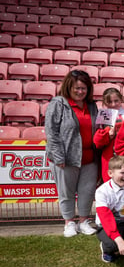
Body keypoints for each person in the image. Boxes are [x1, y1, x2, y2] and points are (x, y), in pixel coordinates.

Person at [45, 69, 99, 237]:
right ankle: (69, 222)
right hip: (66, 159)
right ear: (69, 87)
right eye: (77, 88)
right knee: (66, 192)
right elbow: (51, 132)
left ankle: (83, 221)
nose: (80, 91)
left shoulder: (92, 105)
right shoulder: (58, 103)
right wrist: (58, 156)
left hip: (90, 158)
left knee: (87, 191)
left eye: (84, 88)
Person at [93, 88, 124, 183]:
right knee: (109, 182)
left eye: (116, 101)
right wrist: (108, 134)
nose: (113, 104)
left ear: (121, 99)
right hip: (107, 154)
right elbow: (97, 141)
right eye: (109, 102)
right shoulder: (103, 115)